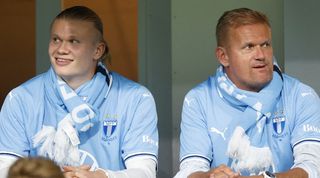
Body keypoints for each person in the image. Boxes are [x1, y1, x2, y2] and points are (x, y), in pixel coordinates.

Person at [0, 6, 158, 178]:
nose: (61, 49)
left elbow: (144, 172)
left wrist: (102, 176)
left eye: (73, 41)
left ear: (98, 50)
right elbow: (5, 171)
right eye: (56, 39)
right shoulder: (20, 98)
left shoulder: (135, 98)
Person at [174, 8, 320, 178]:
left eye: (265, 44)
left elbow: (312, 166)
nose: (261, 55)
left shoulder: (301, 95)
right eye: (249, 47)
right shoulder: (198, 100)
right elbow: (190, 170)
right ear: (223, 56)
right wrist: (210, 176)